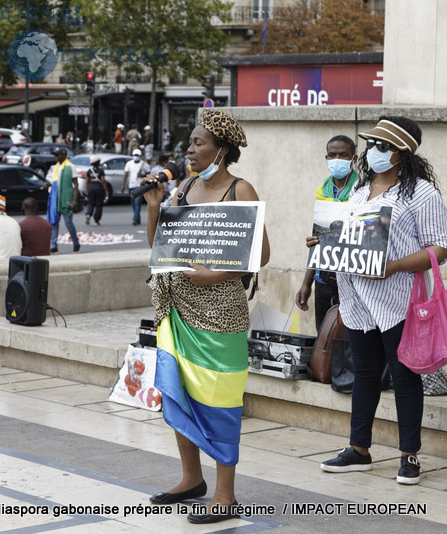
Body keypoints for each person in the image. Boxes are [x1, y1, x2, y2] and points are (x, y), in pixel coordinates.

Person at [142, 109, 270, 524]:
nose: (190, 149)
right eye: (190, 142)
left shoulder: (240, 189)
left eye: (198, 143)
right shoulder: (185, 187)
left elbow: (261, 255)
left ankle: (225, 495)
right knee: (178, 392)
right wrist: (155, 208)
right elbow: (161, 249)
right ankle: (191, 479)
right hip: (178, 310)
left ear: (222, 150)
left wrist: (214, 275)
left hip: (221, 314)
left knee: (220, 400)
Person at [316, 116, 447, 486]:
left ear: (401, 152)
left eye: (382, 145)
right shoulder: (359, 191)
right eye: (371, 144)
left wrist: (394, 267)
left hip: (398, 299)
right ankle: (359, 449)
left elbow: (440, 247)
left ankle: (409, 455)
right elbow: (347, 237)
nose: (373, 150)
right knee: (364, 373)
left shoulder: (421, 193)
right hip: (358, 301)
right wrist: (323, 241)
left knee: (404, 375)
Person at [295, 135, 360, 331]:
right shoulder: (322, 191)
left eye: (343, 155)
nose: (337, 159)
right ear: (326, 158)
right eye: (332, 155)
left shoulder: (363, 190)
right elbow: (318, 238)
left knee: (351, 339)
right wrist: (307, 283)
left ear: (354, 158)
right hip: (323, 279)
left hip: (353, 281)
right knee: (324, 336)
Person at [46, 147, 80, 253]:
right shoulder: (55, 167)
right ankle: (53, 245)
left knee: (68, 222)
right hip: (55, 199)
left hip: (66, 199)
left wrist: (75, 200)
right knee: (54, 222)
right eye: (55, 155)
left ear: (64, 155)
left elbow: (76, 185)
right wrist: (49, 184)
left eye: (57, 155)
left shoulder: (71, 167)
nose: (55, 157)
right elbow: (56, 182)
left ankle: (76, 242)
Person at [121, 148, 150, 225]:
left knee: (137, 203)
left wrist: (142, 175)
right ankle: (137, 218)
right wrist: (123, 185)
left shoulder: (144, 164)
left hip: (140, 186)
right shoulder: (129, 164)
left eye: (137, 155)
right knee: (133, 203)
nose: (136, 156)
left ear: (140, 156)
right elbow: (126, 174)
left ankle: (135, 219)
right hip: (131, 186)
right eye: (135, 155)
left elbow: (149, 175)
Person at [85, 155, 108, 225]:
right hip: (99, 188)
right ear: (98, 162)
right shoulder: (101, 170)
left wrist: (87, 190)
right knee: (99, 204)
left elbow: (87, 181)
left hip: (91, 187)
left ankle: (88, 214)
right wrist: (106, 190)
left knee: (90, 202)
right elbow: (103, 180)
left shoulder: (89, 170)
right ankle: (96, 221)